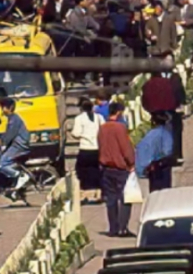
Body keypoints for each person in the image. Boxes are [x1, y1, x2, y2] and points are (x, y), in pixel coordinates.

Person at [98, 101, 136, 237]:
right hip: (120, 168)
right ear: (119, 112)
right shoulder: (120, 128)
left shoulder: (102, 128)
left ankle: (113, 228)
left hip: (106, 168)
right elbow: (126, 148)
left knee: (111, 199)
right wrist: (132, 163)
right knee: (126, 198)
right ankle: (122, 228)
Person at [71, 96, 102, 200]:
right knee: (96, 170)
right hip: (97, 148)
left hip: (85, 148)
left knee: (82, 171)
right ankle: (97, 192)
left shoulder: (79, 119)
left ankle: (86, 193)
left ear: (81, 108)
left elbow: (76, 133)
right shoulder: (99, 117)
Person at [135, 112, 174, 192]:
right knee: (164, 191)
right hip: (162, 167)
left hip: (151, 168)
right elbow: (167, 150)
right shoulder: (165, 133)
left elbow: (141, 149)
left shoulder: (149, 135)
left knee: (154, 192)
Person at [0, 98, 31, 190]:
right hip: (15, 145)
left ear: (10, 107)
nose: (2, 110)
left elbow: (10, 135)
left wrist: (2, 144)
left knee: (1, 164)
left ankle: (20, 175)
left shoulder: (14, 119)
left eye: (3, 107)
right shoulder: (12, 118)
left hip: (19, 146)